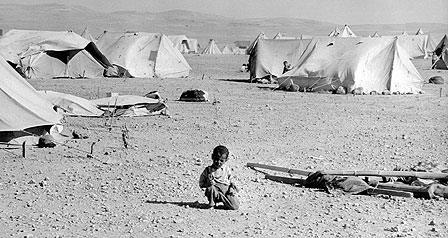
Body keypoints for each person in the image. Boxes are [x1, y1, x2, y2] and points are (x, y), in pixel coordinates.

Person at [199, 145, 239, 210]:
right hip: (215, 192)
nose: (218, 162)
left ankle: (224, 205)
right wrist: (208, 183)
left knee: (235, 206)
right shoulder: (208, 170)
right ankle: (212, 203)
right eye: (216, 159)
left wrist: (232, 186)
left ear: (226, 160)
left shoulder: (226, 169)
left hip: (225, 192)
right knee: (210, 188)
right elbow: (201, 184)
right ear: (212, 157)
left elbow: (231, 179)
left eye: (221, 160)